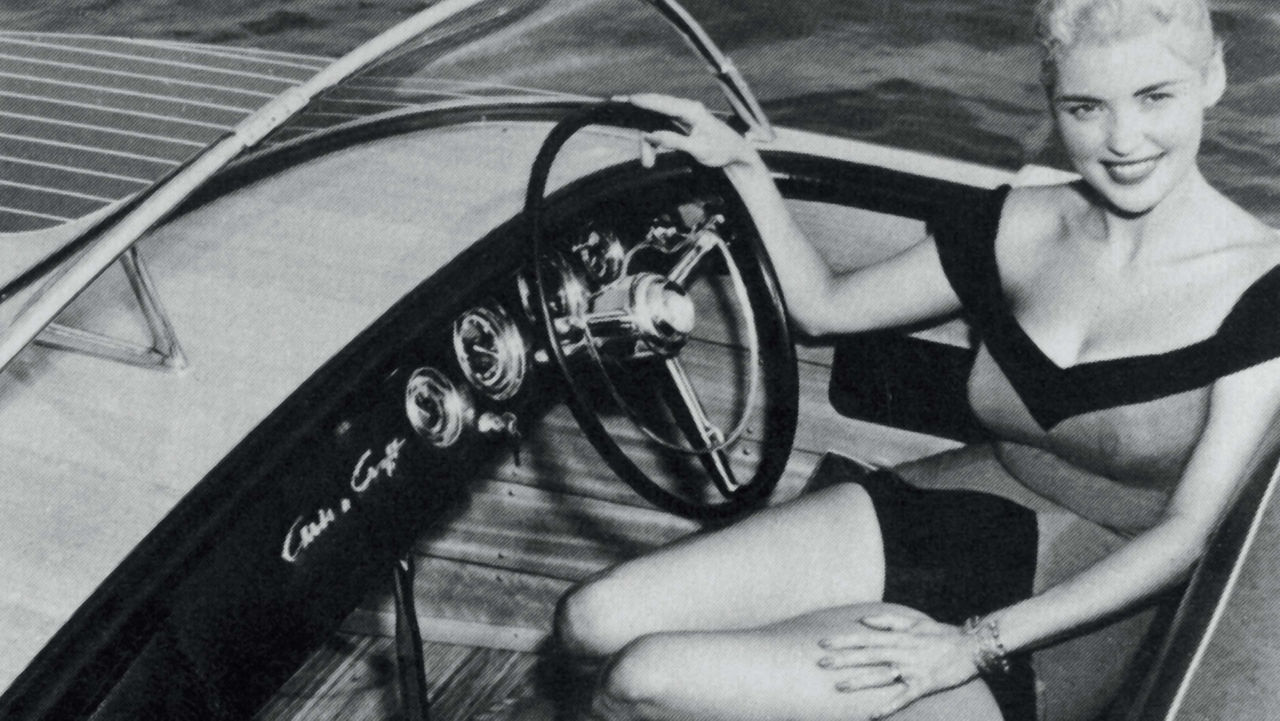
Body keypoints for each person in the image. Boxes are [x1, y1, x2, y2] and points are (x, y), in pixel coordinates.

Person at [551, 0, 1280, 719]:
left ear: (1213, 77)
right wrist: (742, 163)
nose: (1123, 140)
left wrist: (971, 644)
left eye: (1155, 96)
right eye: (1086, 107)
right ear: (1053, 103)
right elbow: (824, 308)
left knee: (646, 678)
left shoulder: (1264, 287)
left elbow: (1186, 533)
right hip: (961, 508)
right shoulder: (1017, 224)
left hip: (1094, 599)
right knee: (591, 617)